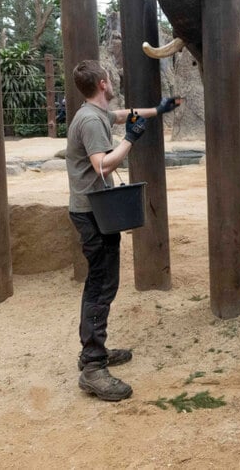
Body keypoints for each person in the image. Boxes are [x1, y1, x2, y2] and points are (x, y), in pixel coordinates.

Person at [65, 59, 180, 401]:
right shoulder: (89, 120)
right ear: (102, 83)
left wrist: (157, 111)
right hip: (93, 213)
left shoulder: (97, 113)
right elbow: (103, 165)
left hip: (100, 210)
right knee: (101, 286)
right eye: (110, 79)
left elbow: (123, 114)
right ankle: (93, 366)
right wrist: (130, 140)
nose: (113, 82)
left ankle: (94, 351)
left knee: (103, 282)